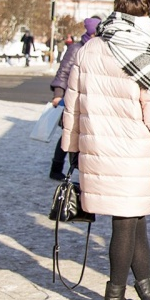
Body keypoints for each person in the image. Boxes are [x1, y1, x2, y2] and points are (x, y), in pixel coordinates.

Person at [61, 0, 150, 300]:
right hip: (134, 153)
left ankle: (149, 296)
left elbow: (73, 105)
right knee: (126, 224)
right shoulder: (147, 51)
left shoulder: (89, 49)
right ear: (145, 17)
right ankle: (113, 299)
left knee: (134, 220)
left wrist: (72, 148)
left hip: (98, 148)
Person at [48, 16, 100, 181]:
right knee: (69, 132)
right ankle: (56, 168)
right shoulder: (76, 48)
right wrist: (58, 95)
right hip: (72, 98)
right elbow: (63, 72)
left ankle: (80, 169)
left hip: (88, 98)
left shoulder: (98, 48)